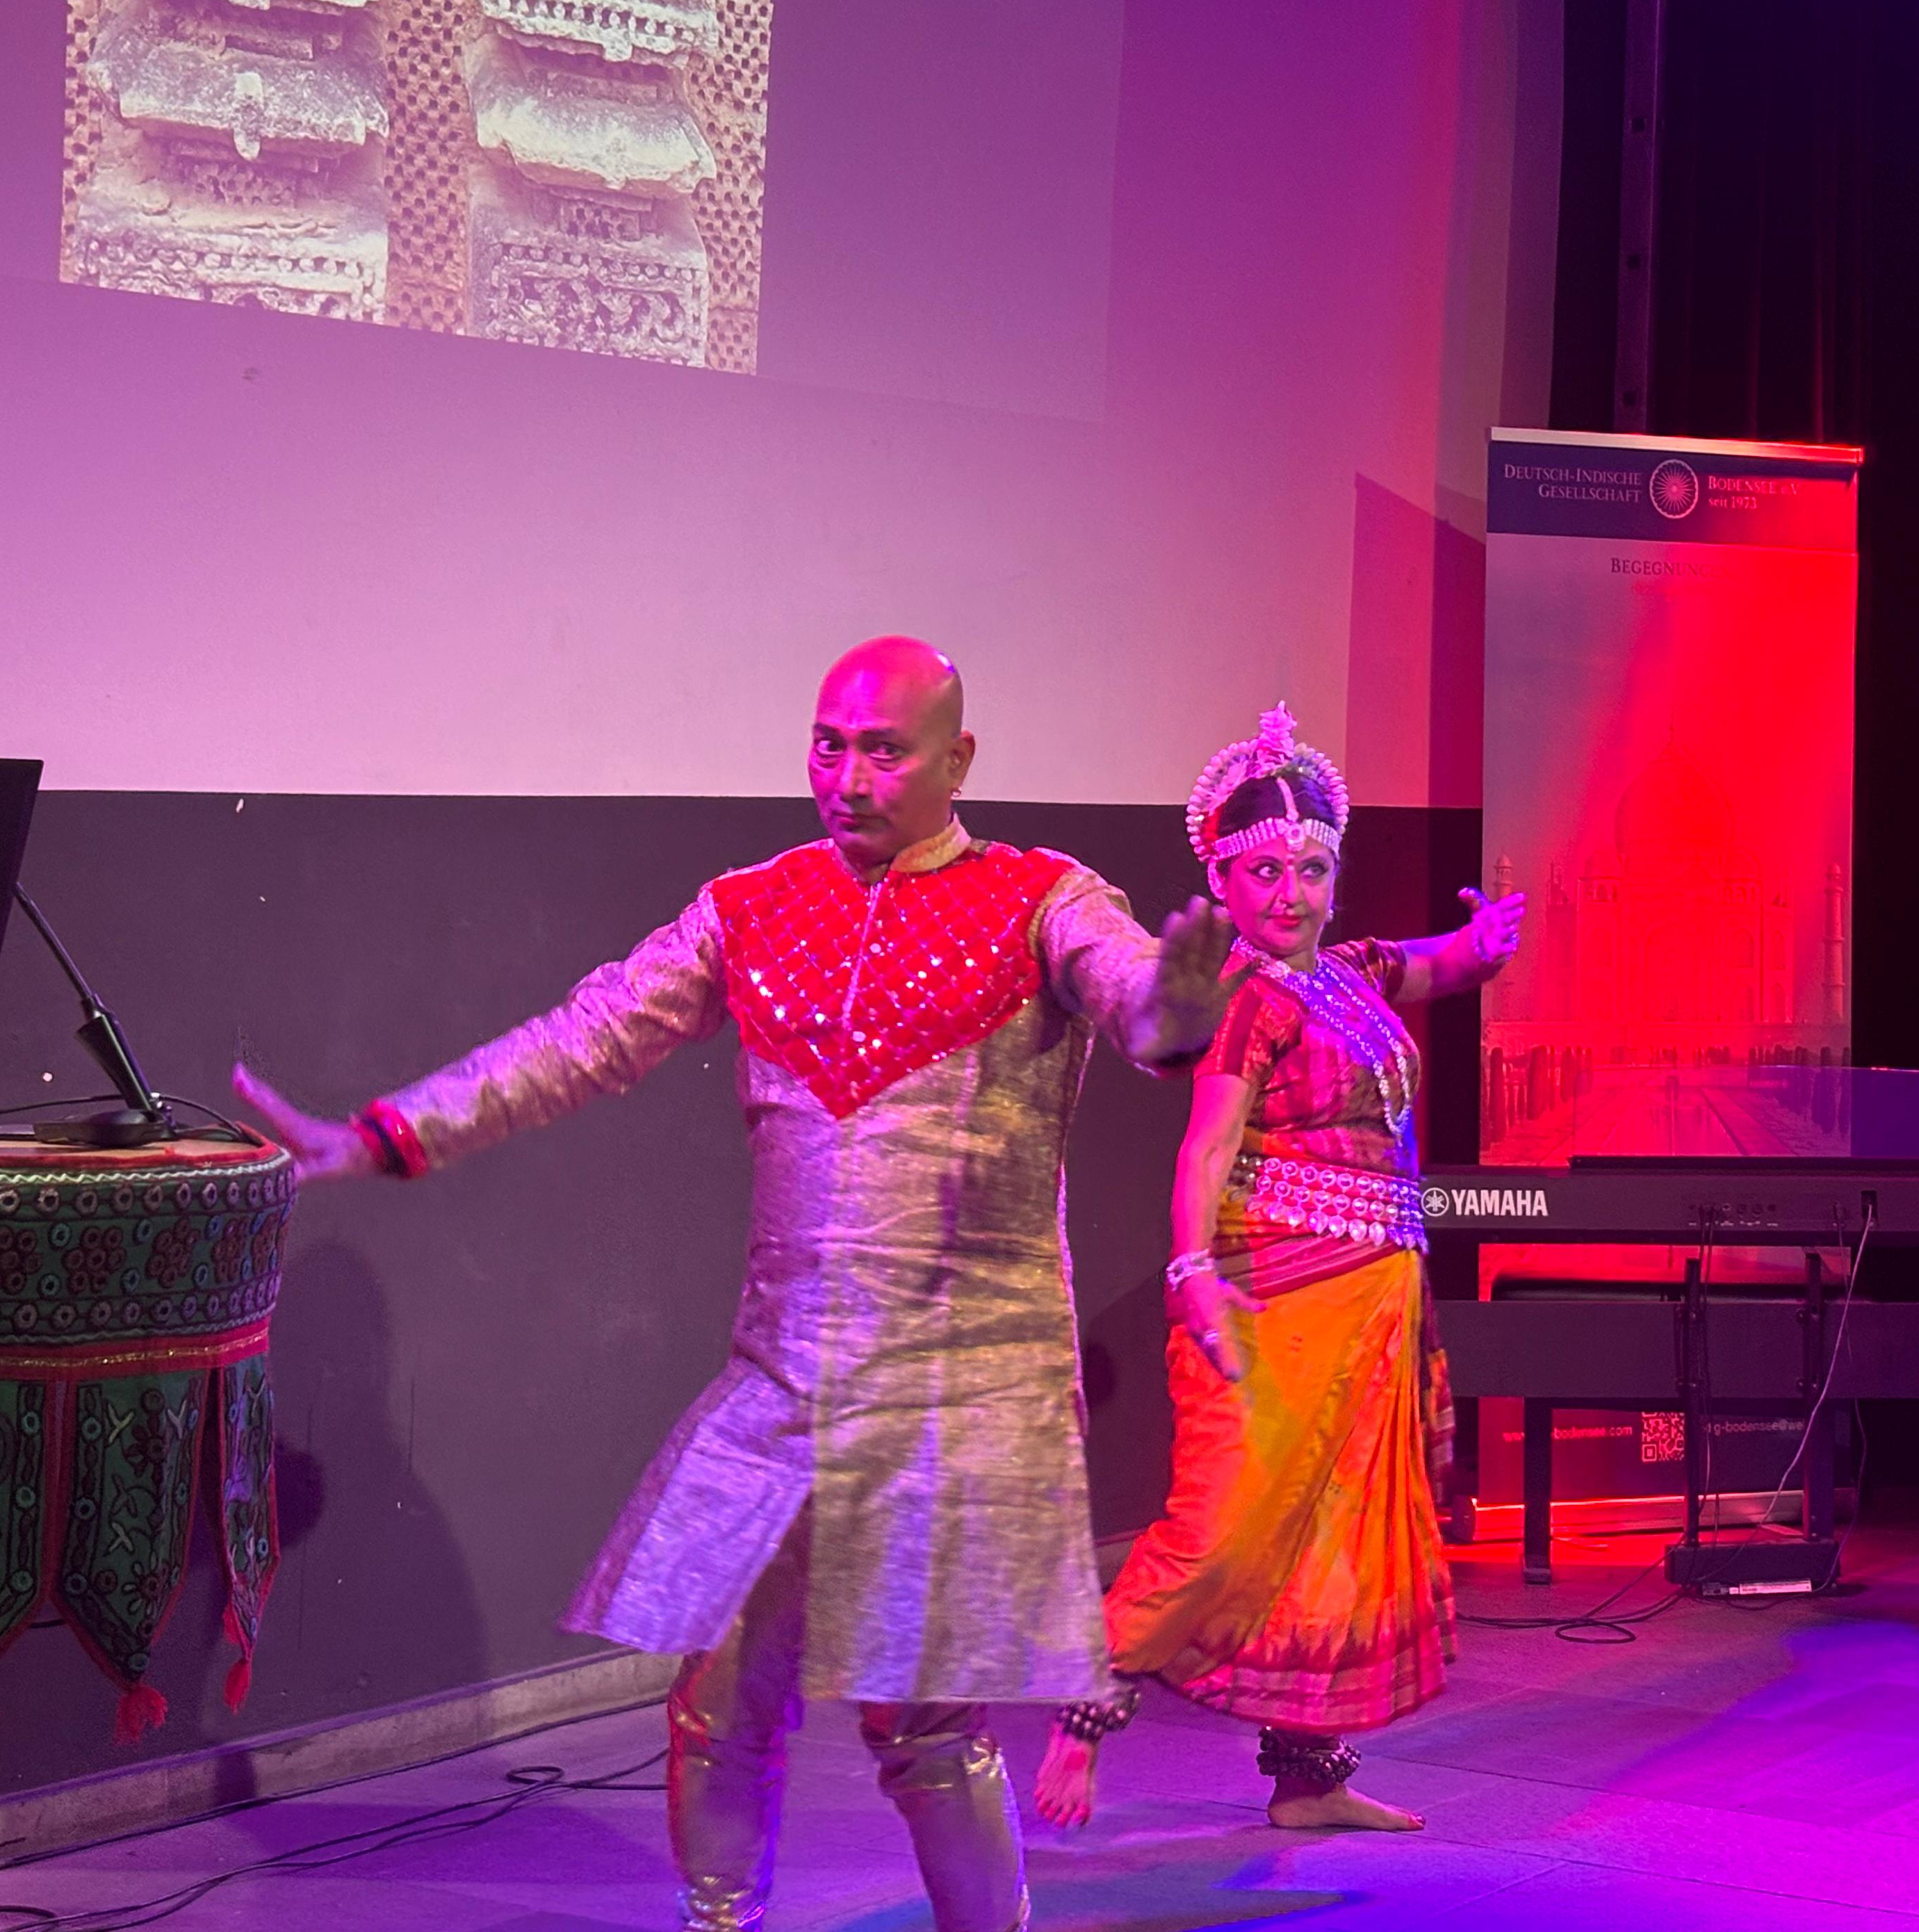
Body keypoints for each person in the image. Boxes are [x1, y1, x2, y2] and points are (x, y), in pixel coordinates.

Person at [235, 638, 1239, 1932]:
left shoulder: (1043, 899)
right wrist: (389, 1134)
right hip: (783, 1386)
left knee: (924, 1728)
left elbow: (1138, 998)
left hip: (958, 1397)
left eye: (885, 751)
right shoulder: (752, 906)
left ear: (958, 761)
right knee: (716, 1700)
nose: (848, 777)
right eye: (829, 744)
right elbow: (587, 1036)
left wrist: (1177, 1007)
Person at [1031, 704, 1524, 1835]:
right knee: (1219, 1531)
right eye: (1263, 871)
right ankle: (1082, 1712)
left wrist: (1485, 944)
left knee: (1335, 1542)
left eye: (1311, 868)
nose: (1290, 893)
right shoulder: (1245, 1002)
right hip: (1274, 1299)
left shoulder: (1347, 974)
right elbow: (1205, 1149)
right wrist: (1191, 1271)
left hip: (1374, 1301)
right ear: (1221, 881)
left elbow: (1437, 965)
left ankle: (1309, 1778)